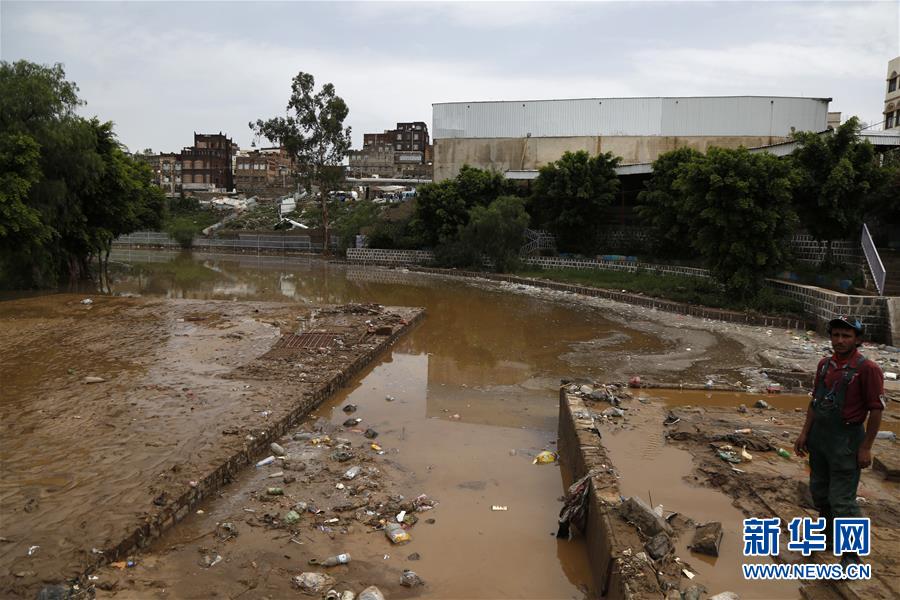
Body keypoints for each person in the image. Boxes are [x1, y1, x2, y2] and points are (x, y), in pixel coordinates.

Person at [794, 315, 885, 566]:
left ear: (858, 340)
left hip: (846, 440)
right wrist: (805, 433)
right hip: (820, 438)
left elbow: (876, 410)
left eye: (846, 336)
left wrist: (866, 447)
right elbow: (815, 401)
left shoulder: (868, 369)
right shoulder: (825, 365)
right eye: (836, 335)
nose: (840, 340)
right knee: (820, 492)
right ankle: (828, 536)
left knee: (842, 500)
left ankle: (851, 556)